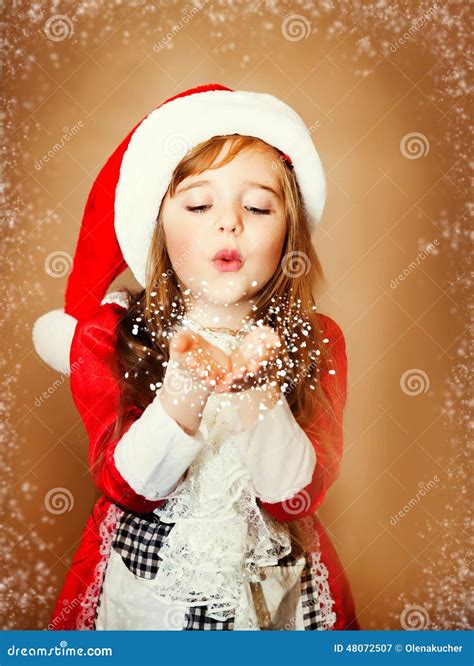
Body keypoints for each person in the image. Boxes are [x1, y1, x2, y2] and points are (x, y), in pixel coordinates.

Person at [32, 83, 360, 631]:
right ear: (157, 225)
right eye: (200, 204)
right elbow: (130, 488)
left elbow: (294, 498)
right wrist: (186, 385)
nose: (229, 221)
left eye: (257, 206)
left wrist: (256, 391)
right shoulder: (109, 337)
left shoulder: (316, 339)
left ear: (290, 231)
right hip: (145, 592)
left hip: (275, 594)